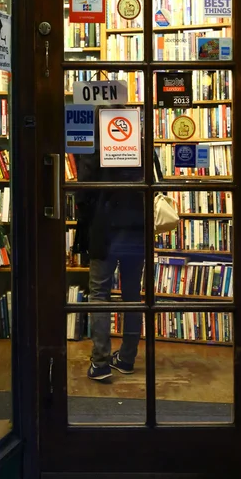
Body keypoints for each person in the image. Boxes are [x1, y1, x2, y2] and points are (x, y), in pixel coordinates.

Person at [74, 108, 161, 381]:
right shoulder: (143, 145)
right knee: (133, 296)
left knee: (99, 295)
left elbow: (83, 193)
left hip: (105, 230)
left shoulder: (94, 146)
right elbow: (158, 184)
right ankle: (126, 358)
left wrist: (84, 234)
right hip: (137, 230)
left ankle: (100, 362)